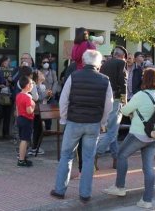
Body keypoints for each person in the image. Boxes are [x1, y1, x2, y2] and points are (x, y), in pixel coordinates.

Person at [50, 50, 113, 202]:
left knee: (66, 156)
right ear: (98, 63)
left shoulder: (74, 76)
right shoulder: (105, 80)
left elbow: (63, 100)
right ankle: (85, 194)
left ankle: (60, 190)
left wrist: (64, 118)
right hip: (93, 123)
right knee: (88, 158)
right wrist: (102, 122)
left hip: (74, 121)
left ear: (84, 61)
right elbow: (108, 106)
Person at [103, 68, 155, 209]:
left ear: (146, 79)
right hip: (152, 136)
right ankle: (147, 200)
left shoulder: (140, 95)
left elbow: (125, 111)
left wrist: (126, 106)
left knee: (121, 155)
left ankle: (120, 187)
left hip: (138, 134)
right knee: (148, 167)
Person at [95, 46, 128, 170]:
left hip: (104, 99)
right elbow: (123, 82)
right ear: (122, 56)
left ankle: (116, 158)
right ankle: (95, 153)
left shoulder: (105, 64)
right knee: (112, 131)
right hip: (116, 99)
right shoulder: (121, 63)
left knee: (113, 130)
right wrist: (124, 101)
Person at [15, 75, 35, 167]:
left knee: (23, 139)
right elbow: (29, 111)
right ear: (27, 85)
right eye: (31, 83)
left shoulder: (18, 95)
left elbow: (17, 109)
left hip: (20, 118)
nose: (32, 85)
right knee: (25, 140)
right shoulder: (28, 97)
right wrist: (33, 107)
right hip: (26, 119)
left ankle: (22, 157)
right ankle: (21, 160)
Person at [39, 56, 57, 130]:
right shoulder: (39, 72)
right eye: (44, 62)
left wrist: (52, 92)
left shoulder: (53, 72)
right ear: (41, 63)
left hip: (51, 95)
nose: (46, 63)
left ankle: (48, 129)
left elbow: (55, 82)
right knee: (41, 113)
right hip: (42, 95)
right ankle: (40, 130)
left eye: (47, 62)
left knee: (49, 113)